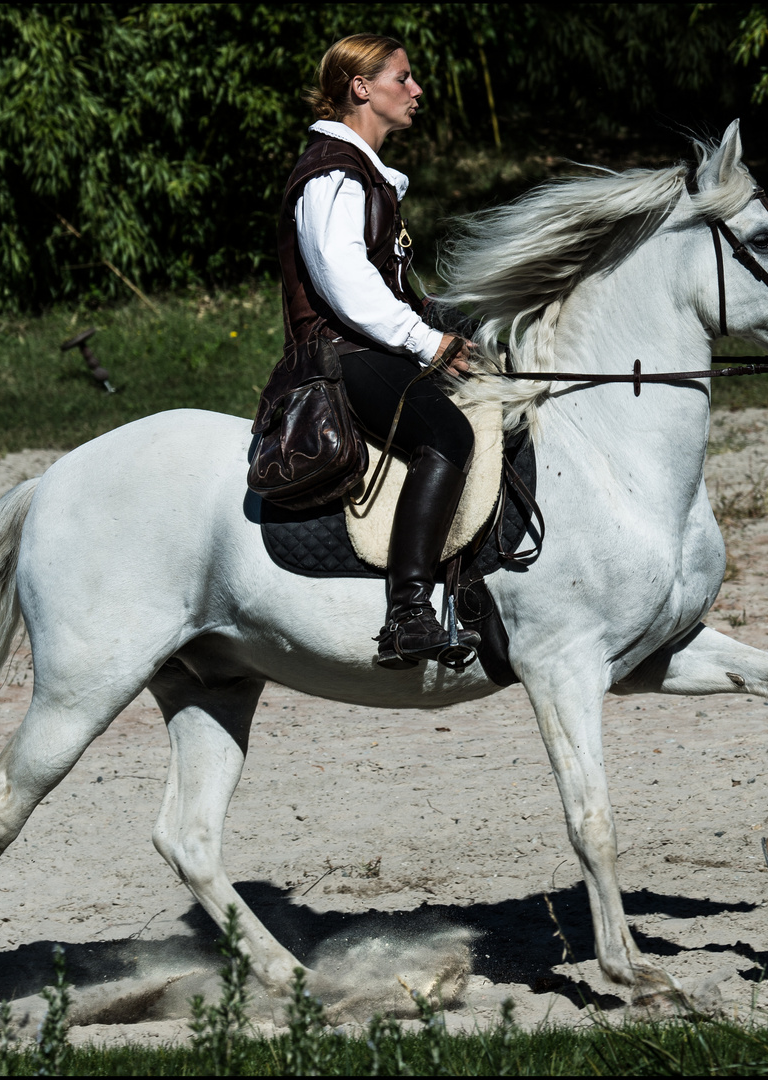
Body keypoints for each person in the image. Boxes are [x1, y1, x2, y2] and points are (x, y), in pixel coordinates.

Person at [285, 33, 478, 669]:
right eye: (403, 77)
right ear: (362, 89)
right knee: (448, 435)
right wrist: (426, 341)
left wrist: (451, 321)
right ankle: (408, 614)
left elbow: (387, 287)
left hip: (370, 343)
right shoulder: (332, 173)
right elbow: (345, 285)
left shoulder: (365, 173)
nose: (417, 90)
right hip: (339, 354)